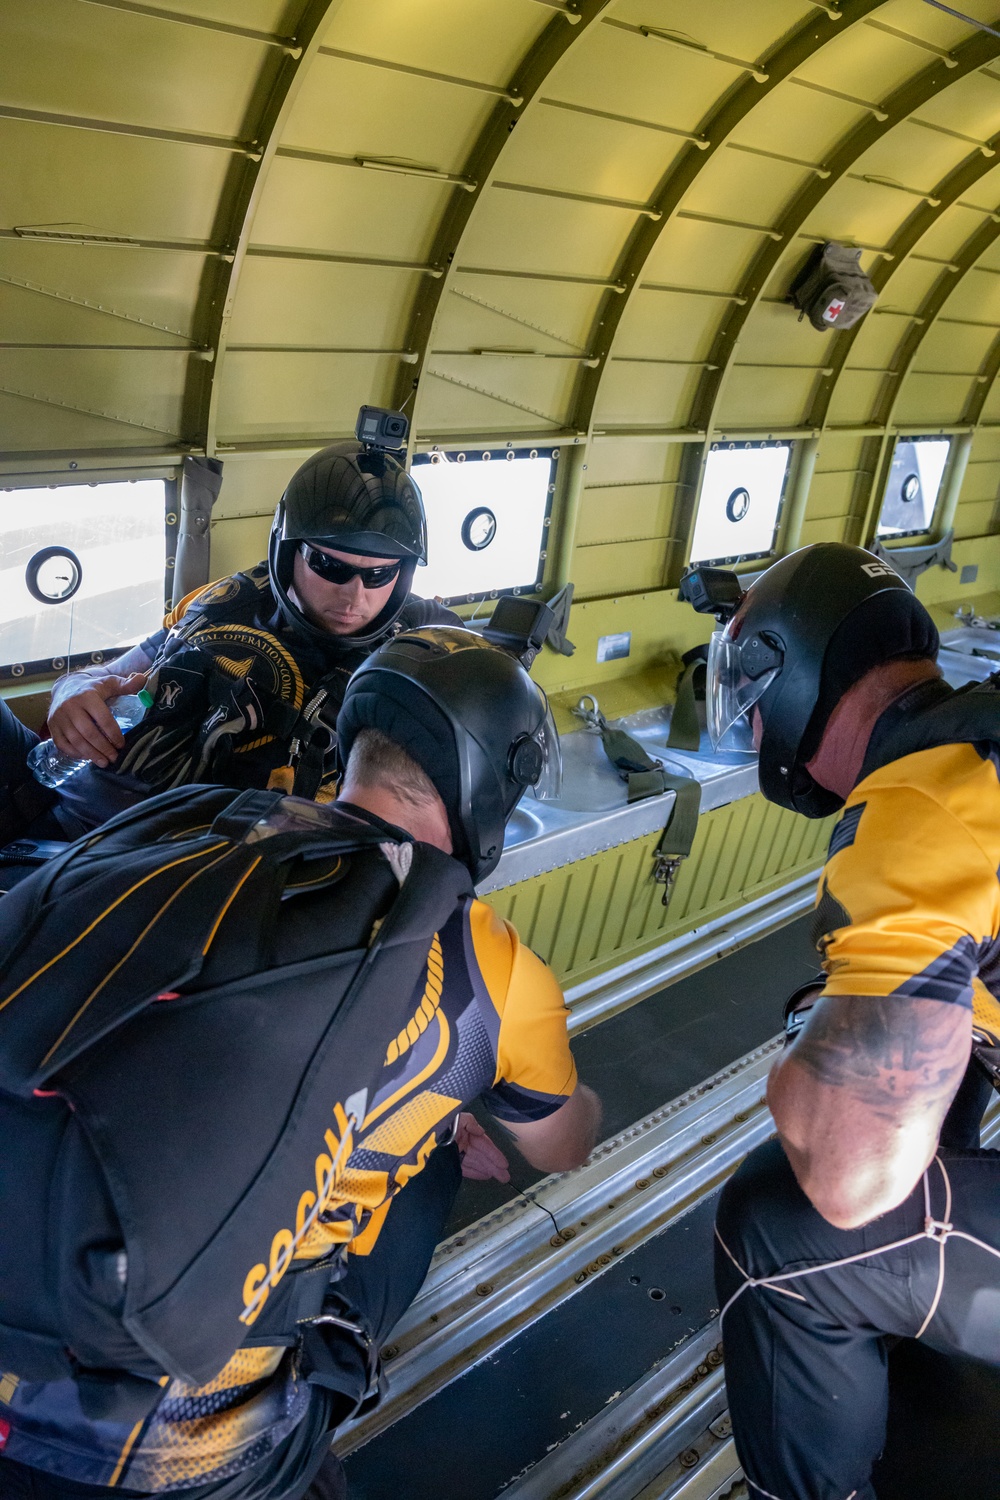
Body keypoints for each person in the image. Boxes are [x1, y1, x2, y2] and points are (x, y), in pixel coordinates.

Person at [0, 625, 601, 1500]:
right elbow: (560, 1145)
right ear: (488, 787)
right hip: (179, 1457)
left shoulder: (180, 824)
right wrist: (458, 1105)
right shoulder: (486, 960)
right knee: (431, 1154)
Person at [699, 542, 1000, 1500]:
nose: (754, 735)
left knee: (780, 1228)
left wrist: (808, 1048)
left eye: (753, 704)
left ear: (795, 679)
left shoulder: (920, 798)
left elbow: (851, 1171)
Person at [0, 429, 460, 847]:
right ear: (288, 549)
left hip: (140, 861)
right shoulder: (227, 598)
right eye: (329, 566)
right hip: (53, 787)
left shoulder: (417, 663)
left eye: (380, 574)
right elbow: (109, 675)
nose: (354, 595)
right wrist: (73, 689)